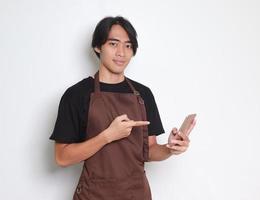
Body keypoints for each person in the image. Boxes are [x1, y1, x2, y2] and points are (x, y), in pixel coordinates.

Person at [49, 16, 196, 200]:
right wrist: (107, 136)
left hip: (137, 194)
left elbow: (149, 150)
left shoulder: (143, 94)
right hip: (94, 195)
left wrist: (169, 148)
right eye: (113, 44)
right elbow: (62, 157)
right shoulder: (77, 95)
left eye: (128, 46)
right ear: (97, 47)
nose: (121, 52)